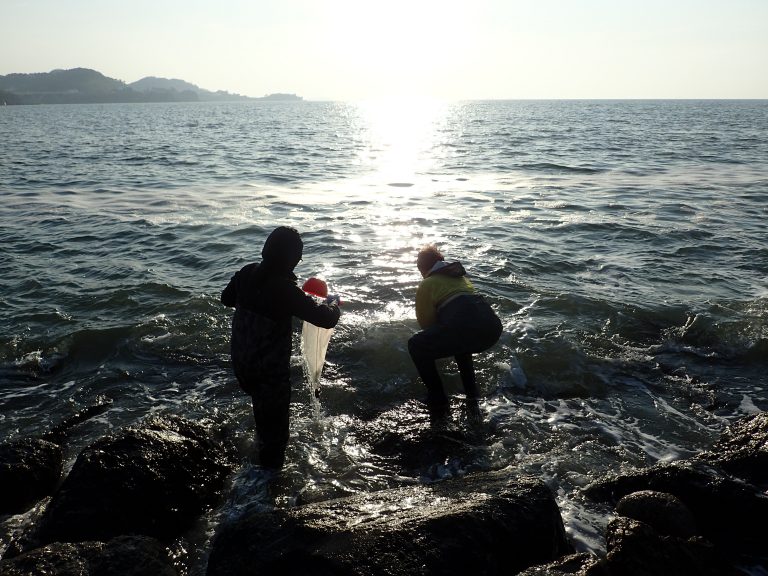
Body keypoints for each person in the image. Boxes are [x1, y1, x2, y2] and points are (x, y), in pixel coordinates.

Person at [221, 226, 340, 469]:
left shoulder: (246, 273)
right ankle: (265, 490)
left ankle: (257, 464)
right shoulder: (283, 289)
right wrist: (333, 303)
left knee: (263, 419)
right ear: (291, 259)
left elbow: (226, 299)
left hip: (243, 365)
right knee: (276, 439)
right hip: (269, 374)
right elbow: (326, 319)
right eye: (298, 257)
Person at [408, 244, 502, 412]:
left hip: (465, 326)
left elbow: (426, 324)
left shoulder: (427, 283)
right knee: (460, 341)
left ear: (422, 268)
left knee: (416, 345)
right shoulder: (460, 278)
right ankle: (472, 392)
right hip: (492, 327)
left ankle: (438, 397)